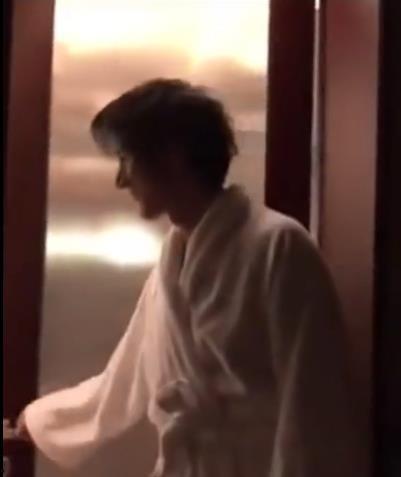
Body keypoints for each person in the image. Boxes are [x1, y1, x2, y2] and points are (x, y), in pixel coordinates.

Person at [16, 78, 368, 476]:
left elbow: (315, 409)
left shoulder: (279, 246)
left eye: (127, 159)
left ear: (173, 156)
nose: (122, 180)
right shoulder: (172, 261)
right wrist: (42, 420)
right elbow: (126, 377)